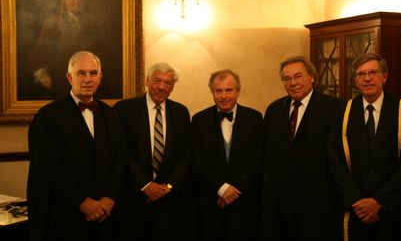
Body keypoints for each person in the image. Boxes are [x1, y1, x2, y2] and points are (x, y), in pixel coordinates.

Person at [328, 53, 401, 241]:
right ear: (356, 80)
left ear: (384, 77)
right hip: (356, 210)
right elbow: (334, 160)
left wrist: (380, 201)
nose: (367, 78)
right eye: (360, 74)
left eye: (373, 72)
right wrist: (356, 201)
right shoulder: (343, 112)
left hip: (396, 209)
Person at [27, 51, 128, 241]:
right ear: (69, 77)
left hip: (106, 215)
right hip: (65, 216)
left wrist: (109, 198)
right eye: (81, 73)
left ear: (100, 77)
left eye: (93, 73)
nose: (88, 79)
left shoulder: (111, 114)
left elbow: (120, 159)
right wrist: (82, 202)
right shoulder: (47, 117)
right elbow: (48, 167)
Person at [261, 56, 342, 240]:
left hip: (318, 203)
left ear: (312, 77)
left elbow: (338, 156)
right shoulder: (274, 109)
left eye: (298, 76)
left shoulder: (334, 107)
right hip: (281, 204)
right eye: (287, 79)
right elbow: (267, 154)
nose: (293, 83)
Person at [113, 63, 194, 240]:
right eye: (157, 80)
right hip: (133, 199)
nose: (161, 87)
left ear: (172, 87)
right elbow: (120, 152)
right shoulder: (124, 110)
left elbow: (186, 156)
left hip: (169, 202)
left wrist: (168, 187)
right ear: (147, 80)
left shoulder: (181, 112)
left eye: (168, 83)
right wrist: (145, 185)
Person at [192, 69, 263, 241]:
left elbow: (258, 157)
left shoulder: (254, 118)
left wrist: (233, 190)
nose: (223, 96)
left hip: (245, 200)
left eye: (229, 90)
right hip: (211, 201)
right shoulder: (199, 120)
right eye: (218, 91)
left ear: (237, 91)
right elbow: (197, 159)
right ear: (212, 92)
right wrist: (221, 189)